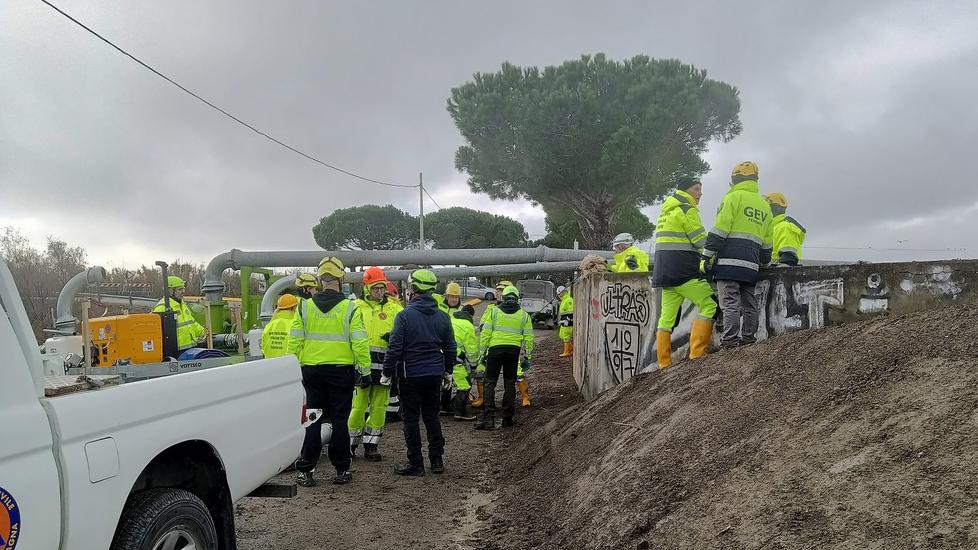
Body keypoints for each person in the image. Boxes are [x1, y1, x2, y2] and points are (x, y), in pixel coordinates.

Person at [288, 256, 371, 487]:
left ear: (320, 278)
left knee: (312, 421)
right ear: (341, 278)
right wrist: (365, 371)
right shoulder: (351, 309)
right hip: (340, 373)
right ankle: (341, 470)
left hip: (311, 372)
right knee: (340, 421)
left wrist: (292, 370)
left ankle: (306, 471)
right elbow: (360, 343)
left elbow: (294, 343)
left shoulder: (304, 307)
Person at [382, 269, 456, 476]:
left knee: (411, 419)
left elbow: (395, 348)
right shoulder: (443, 317)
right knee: (432, 417)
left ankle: (416, 463)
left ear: (412, 288)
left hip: (409, 375)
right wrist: (448, 371)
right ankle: (437, 461)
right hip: (434, 374)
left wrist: (387, 372)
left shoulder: (404, 316)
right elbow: (451, 347)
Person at [703, 161, 774, 349]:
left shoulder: (732, 198)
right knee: (750, 303)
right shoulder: (765, 206)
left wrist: (706, 256)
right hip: (751, 266)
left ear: (734, 179)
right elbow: (767, 244)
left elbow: (719, 231)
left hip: (728, 264)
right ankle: (749, 339)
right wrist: (764, 263)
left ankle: (730, 341)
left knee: (729, 303)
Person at [651, 176, 718, 368]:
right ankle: (697, 355)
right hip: (684, 272)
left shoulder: (666, 212)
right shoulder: (687, 210)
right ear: (686, 190)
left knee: (666, 319)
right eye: (696, 189)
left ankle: (664, 364)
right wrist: (714, 257)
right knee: (711, 305)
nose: (700, 194)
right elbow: (701, 242)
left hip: (665, 274)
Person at [348, 267, 403, 462]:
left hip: (385, 366)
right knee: (358, 406)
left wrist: (396, 337)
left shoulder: (395, 308)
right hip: (360, 365)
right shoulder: (353, 307)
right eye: (375, 288)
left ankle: (372, 445)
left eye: (382, 288)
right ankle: (351, 444)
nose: (379, 292)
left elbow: (403, 330)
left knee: (379, 406)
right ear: (366, 287)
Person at [475, 285, 533, 430]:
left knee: (490, 383)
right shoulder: (524, 315)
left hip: (495, 350)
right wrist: (527, 357)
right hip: (513, 351)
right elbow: (529, 339)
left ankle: (489, 420)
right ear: (517, 298)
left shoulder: (494, 312)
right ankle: (508, 418)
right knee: (509, 382)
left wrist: (482, 353)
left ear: (504, 297)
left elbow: (485, 334)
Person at [471, 280, 513, 408]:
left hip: (507, 348)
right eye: (498, 290)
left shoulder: (514, 310)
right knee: (482, 374)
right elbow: (483, 325)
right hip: (490, 347)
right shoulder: (491, 307)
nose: (498, 293)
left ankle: (516, 400)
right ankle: (483, 398)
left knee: (511, 378)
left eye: (501, 291)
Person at [152, 275, 206, 353]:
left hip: (191, 348)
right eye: (180, 289)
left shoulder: (182, 305)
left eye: (184, 288)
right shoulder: (162, 308)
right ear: (170, 291)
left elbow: (192, 323)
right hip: (175, 352)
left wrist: (204, 332)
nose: (183, 291)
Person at [439, 281, 465, 413]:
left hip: (455, 349)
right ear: (446, 296)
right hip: (439, 347)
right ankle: (441, 403)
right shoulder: (439, 308)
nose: (454, 299)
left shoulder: (462, 311)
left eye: (456, 297)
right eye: (451, 296)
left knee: (450, 375)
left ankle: (446, 404)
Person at [450, 304, 479, 421]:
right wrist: (473, 365)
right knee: (464, 384)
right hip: (455, 358)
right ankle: (459, 412)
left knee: (445, 383)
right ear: (471, 315)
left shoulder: (451, 320)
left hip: (439, 356)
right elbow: (472, 350)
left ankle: (444, 407)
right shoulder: (468, 326)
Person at [765, 193, 806, 266]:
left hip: (781, 274)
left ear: (774, 208)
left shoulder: (785, 227)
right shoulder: (772, 228)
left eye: (767, 206)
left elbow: (789, 260)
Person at [261, 293, 299, 358]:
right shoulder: (296, 325)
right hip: (289, 365)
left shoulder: (269, 326)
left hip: (271, 364)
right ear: (294, 308)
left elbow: (263, 349)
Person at [557, 285, 575, 357]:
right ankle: (571, 348)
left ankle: (567, 351)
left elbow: (571, 312)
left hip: (568, 322)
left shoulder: (569, 300)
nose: (559, 295)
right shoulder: (564, 300)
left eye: (559, 294)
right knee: (562, 335)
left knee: (566, 336)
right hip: (564, 321)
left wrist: (568, 320)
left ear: (563, 293)